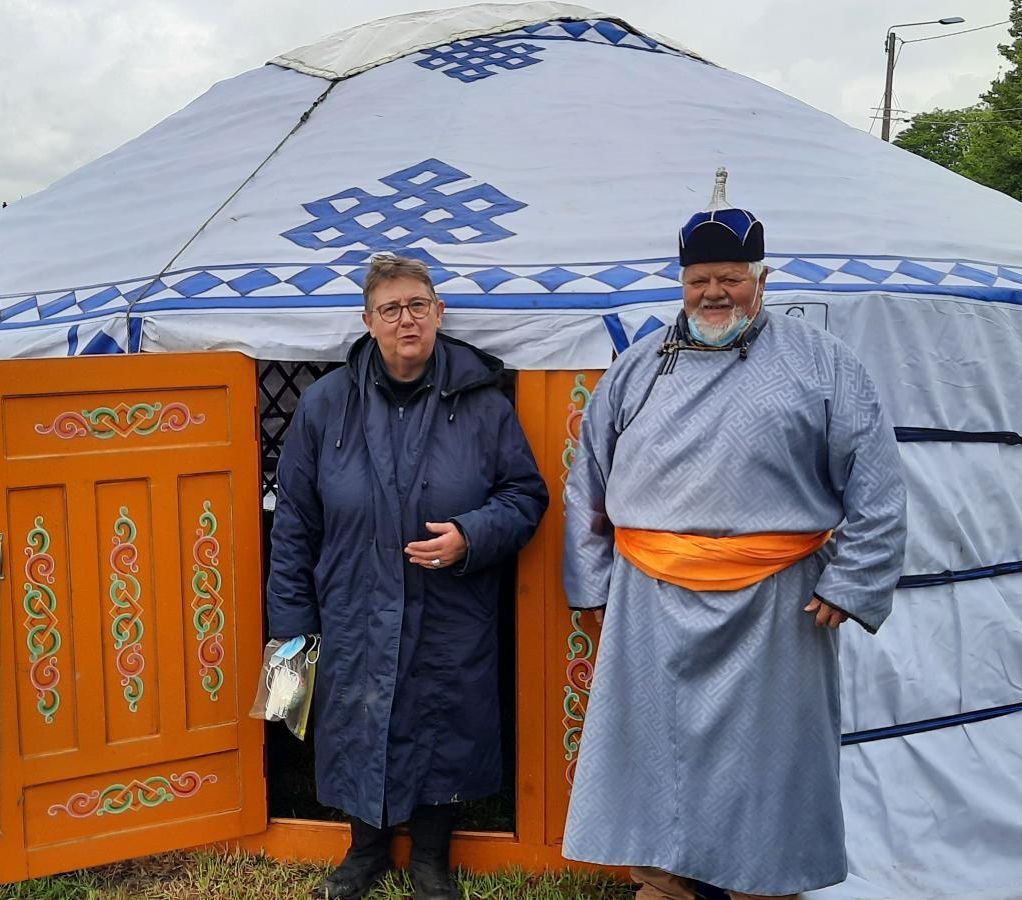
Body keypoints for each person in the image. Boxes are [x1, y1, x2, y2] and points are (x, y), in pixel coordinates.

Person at [559, 182, 907, 900]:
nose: (715, 295)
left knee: (767, 763)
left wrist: (853, 580)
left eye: (731, 281)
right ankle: (662, 882)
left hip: (777, 602)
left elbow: (875, 478)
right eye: (699, 282)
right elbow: (587, 480)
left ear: (762, 279)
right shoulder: (637, 367)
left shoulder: (822, 363)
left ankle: (763, 886)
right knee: (653, 755)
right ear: (681, 283)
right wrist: (593, 585)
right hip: (649, 597)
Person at [267, 254, 549, 900]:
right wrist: (291, 626)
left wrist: (471, 536)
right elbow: (295, 526)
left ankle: (430, 860)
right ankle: (363, 852)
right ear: (367, 322)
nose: (406, 320)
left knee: (440, 719)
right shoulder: (324, 406)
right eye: (391, 309)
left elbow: (526, 496)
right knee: (357, 721)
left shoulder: (482, 404)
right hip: (353, 599)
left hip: (448, 601)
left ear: (439, 313)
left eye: (417, 306)